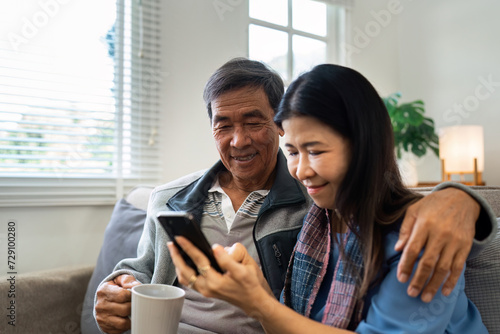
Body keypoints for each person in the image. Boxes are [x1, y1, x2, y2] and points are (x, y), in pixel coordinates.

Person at [94, 58, 496, 334]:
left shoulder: (403, 230)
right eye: (294, 153)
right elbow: (140, 271)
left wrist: (460, 199)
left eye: (316, 151)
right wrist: (119, 288)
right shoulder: (321, 220)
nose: (302, 170)